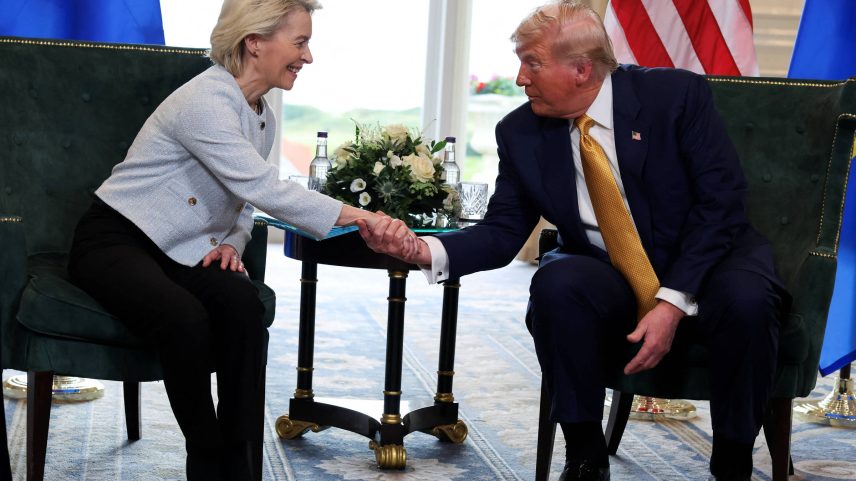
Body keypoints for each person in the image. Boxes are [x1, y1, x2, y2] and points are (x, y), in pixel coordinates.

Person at [360, 1, 786, 480]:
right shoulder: (520, 131)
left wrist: (671, 302)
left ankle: (732, 459)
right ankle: (585, 455)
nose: (520, 79)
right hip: (608, 268)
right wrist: (423, 250)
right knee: (557, 285)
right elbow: (504, 230)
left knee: (747, 300)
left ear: (582, 69)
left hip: (709, 258)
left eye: (532, 64)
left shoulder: (674, 96)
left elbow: (721, 204)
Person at [67, 1, 385, 479]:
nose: (308, 57)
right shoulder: (206, 100)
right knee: (183, 317)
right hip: (115, 239)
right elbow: (263, 187)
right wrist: (359, 216)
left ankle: (242, 464)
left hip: (183, 247)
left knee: (243, 305)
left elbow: (245, 201)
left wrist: (233, 244)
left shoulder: (261, 116)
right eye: (300, 43)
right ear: (254, 42)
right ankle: (208, 459)